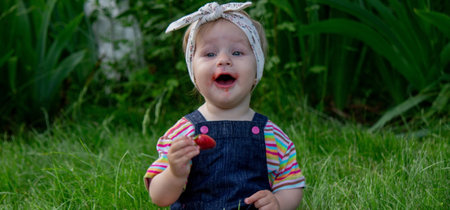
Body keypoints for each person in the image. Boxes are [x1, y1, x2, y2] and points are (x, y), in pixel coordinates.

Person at [144, 2, 305, 209]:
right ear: (193, 72)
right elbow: (159, 198)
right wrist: (174, 173)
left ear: (257, 69)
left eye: (237, 53)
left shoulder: (271, 135)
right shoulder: (184, 134)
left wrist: (279, 202)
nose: (223, 60)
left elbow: (291, 184)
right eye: (210, 54)